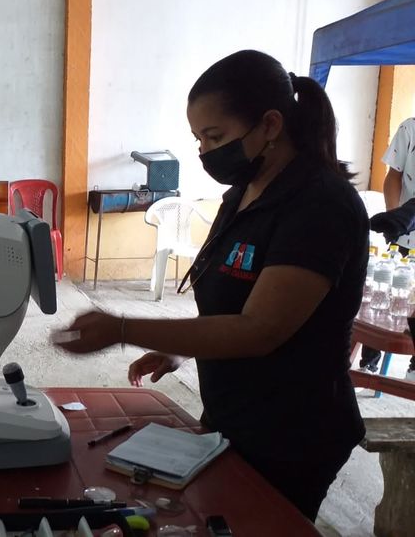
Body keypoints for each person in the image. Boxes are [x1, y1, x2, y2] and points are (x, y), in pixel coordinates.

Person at [55, 50, 366, 521]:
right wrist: (182, 348)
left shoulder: (319, 205)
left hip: (294, 434)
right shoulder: (244, 193)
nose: (204, 151)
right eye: (199, 138)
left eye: (215, 136)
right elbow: (229, 300)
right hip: (233, 418)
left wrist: (122, 328)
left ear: (270, 124)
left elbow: (260, 329)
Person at [358, 118, 415, 380]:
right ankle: (368, 363)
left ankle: (413, 368)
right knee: (384, 298)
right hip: (405, 236)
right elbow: (394, 176)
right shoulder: (410, 129)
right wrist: (395, 218)